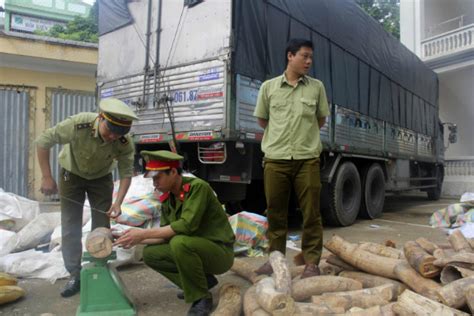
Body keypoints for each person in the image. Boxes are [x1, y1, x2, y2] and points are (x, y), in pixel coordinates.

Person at [35, 97, 138, 297]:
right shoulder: (78, 124)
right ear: (101, 118)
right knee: (70, 223)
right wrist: (46, 177)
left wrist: (118, 202)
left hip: (101, 178)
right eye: (110, 131)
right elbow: (43, 142)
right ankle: (75, 273)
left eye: (118, 135)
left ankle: (99, 268)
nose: (112, 138)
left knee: (102, 226)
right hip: (70, 174)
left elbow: (126, 172)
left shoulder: (123, 142)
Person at [114, 150, 235, 316]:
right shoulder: (168, 198)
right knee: (150, 254)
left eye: (158, 177)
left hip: (220, 253)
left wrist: (142, 234)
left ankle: (202, 298)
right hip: (195, 249)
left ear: (172, 172)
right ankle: (202, 283)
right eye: (153, 178)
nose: (154, 183)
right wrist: (132, 238)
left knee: (179, 242)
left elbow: (186, 226)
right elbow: (165, 234)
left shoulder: (197, 188)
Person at [253, 38, 330, 279]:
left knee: (311, 213)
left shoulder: (316, 87)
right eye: (304, 56)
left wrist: (303, 139)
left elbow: (320, 120)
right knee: (275, 212)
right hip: (276, 159)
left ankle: (311, 263)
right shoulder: (269, 87)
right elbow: (263, 121)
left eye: (310, 57)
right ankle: (275, 258)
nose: (308, 61)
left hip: (307, 159)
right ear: (290, 56)